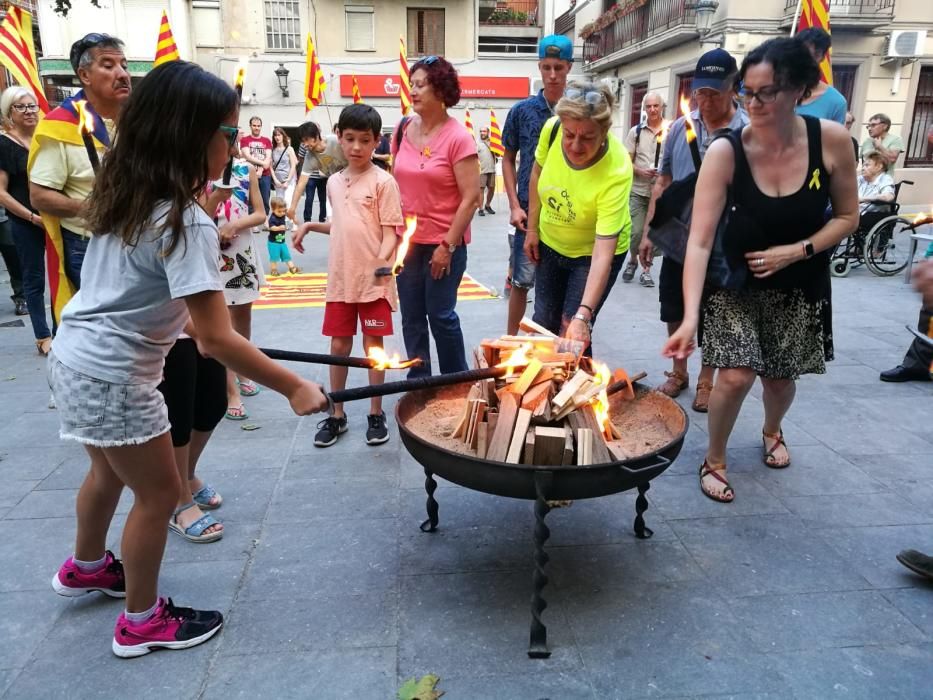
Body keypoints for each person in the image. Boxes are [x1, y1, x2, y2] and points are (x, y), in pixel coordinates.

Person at [46, 60, 328, 657]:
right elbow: (216, 339)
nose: (235, 147)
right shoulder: (186, 220)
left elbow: (146, 295)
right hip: (117, 377)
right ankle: (141, 621)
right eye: (228, 134)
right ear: (191, 136)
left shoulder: (131, 191)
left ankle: (88, 565)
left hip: (76, 357)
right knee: (158, 495)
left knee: (104, 474)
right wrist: (295, 388)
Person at [663, 38, 858, 503]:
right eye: (746, 93)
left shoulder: (830, 141)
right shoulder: (726, 152)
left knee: (779, 379)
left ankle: (773, 429)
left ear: (799, 90)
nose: (753, 104)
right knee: (734, 375)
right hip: (736, 281)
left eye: (765, 92)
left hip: (799, 284)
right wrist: (690, 316)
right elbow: (700, 239)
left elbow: (848, 217)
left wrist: (798, 250)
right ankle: (714, 457)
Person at [639, 48, 749, 412]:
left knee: (715, 312)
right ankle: (679, 371)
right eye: (700, 92)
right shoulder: (679, 129)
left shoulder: (747, 131)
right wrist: (648, 234)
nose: (705, 100)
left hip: (725, 243)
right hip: (678, 240)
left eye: (714, 93)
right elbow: (663, 181)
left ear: (733, 88)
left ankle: (707, 379)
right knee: (673, 306)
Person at [293, 103, 404, 447]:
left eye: (365, 140)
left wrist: (380, 262)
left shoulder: (384, 182)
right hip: (340, 279)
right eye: (350, 138)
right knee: (339, 345)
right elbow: (342, 226)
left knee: (374, 346)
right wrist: (311, 224)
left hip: (373, 282)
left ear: (376, 144)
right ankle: (336, 414)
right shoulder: (333, 183)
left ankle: (375, 411)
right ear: (338, 137)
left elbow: (391, 233)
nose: (356, 147)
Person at [28, 33, 131, 323]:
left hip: (137, 238)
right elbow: (39, 196)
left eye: (123, 65)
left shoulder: (138, 121)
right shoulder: (60, 125)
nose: (122, 74)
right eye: (108, 65)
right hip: (89, 244)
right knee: (104, 325)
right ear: (84, 74)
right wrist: (91, 208)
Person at [523, 82, 633, 351]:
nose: (574, 145)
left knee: (572, 328)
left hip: (591, 253)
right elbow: (536, 173)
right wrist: (532, 229)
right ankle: (543, 391)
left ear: (604, 131)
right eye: (570, 134)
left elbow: (602, 254)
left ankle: (578, 391)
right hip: (551, 242)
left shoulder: (617, 169)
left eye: (587, 137)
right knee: (544, 324)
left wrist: (584, 315)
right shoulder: (552, 129)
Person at [390, 55, 478, 377]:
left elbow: (471, 198)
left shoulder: (458, 137)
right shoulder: (401, 129)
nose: (413, 91)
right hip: (408, 244)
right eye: (411, 84)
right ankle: (419, 381)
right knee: (412, 316)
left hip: (444, 243)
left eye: (421, 85)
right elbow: (394, 180)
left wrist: (447, 246)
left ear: (440, 90)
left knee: (440, 315)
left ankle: (456, 380)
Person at [502, 35, 573, 335]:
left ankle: (552, 353)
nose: (553, 75)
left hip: (567, 215)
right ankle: (508, 347)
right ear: (539, 67)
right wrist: (514, 206)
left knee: (557, 291)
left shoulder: (580, 110)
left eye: (559, 67)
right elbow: (507, 158)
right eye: (547, 67)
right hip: (528, 213)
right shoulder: (522, 111)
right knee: (520, 281)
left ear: (569, 67)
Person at [215, 151, 267, 421]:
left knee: (242, 319)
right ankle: (230, 391)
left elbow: (260, 214)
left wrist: (235, 224)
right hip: (210, 252)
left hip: (241, 252)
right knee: (219, 322)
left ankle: (243, 370)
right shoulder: (195, 167)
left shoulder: (246, 171)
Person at [0, 87, 45, 346]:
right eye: (21, 107)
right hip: (24, 222)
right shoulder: (5, 144)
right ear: (9, 113)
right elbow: (2, 193)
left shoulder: (44, 139)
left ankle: (63, 332)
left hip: (53, 217)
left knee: (65, 273)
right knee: (34, 278)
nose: (29, 112)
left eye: (32, 106)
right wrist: (31, 217)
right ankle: (43, 335)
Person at [622, 91, 667, 287]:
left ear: (661, 107)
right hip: (639, 191)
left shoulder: (671, 130)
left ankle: (646, 270)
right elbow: (625, 161)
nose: (652, 109)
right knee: (636, 232)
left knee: (654, 234)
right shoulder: (636, 132)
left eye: (655, 106)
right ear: (644, 109)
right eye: (648, 106)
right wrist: (640, 171)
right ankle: (633, 260)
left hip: (661, 194)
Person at [287, 121, 347, 224]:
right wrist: (292, 208)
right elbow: (301, 184)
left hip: (356, 178)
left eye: (306, 140)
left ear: (316, 135)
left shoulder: (334, 140)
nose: (305, 144)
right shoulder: (310, 158)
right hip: (341, 186)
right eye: (302, 141)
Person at [794, 27, 848, 124]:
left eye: (816, 54)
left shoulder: (836, 102)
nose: (808, 60)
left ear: (823, 57)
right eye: (804, 53)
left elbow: (835, 138)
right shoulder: (776, 90)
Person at [239, 116, 272, 217]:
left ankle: (264, 219)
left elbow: (268, 157)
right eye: (254, 125)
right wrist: (263, 164)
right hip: (249, 174)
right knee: (250, 199)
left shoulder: (266, 140)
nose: (256, 128)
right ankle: (252, 223)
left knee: (265, 198)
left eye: (258, 126)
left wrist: (261, 169)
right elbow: (247, 156)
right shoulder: (245, 140)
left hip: (265, 175)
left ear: (261, 127)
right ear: (250, 126)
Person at [266, 196, 299, 276]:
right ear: (273, 210)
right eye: (279, 211)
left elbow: (289, 214)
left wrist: (294, 218)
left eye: (283, 211)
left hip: (282, 242)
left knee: (286, 255)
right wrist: (279, 227)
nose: (282, 213)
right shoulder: (273, 218)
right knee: (274, 257)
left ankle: (292, 268)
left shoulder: (283, 214)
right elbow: (271, 228)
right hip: (273, 242)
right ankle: (273, 270)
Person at [270, 126, 297, 203]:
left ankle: (287, 216)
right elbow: (271, 166)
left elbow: (293, 166)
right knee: (280, 204)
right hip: (277, 181)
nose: (277, 137)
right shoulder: (273, 150)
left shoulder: (289, 149)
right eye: (275, 135)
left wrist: (287, 181)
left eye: (279, 135)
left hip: (288, 180)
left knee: (287, 203)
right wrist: (275, 180)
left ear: (283, 136)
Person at [476, 126, 497, 216]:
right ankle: (480, 209)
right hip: (481, 170)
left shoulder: (493, 143)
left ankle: (487, 205)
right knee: (481, 189)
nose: (482, 133)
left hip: (491, 169)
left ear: (488, 132)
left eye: (484, 131)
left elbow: (498, 154)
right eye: (481, 131)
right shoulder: (477, 143)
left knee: (491, 188)